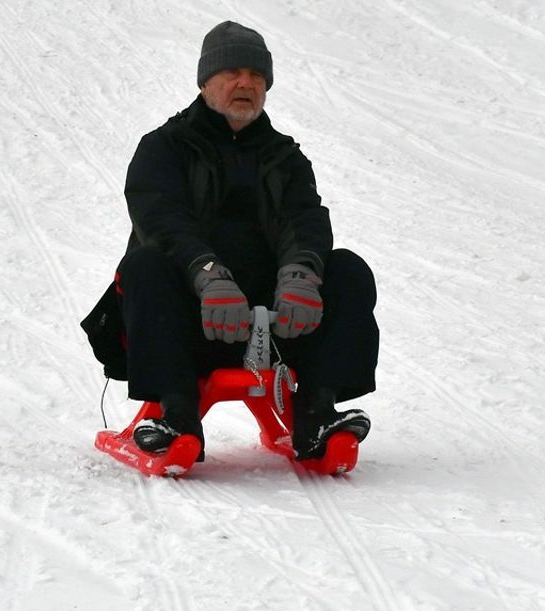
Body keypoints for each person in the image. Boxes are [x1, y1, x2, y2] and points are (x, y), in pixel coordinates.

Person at [82, 20, 379, 462]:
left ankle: (316, 411)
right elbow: (161, 221)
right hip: (187, 321)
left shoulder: (285, 158)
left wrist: (301, 275)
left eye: (257, 76)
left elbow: (305, 220)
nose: (246, 83)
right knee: (144, 266)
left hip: (274, 326)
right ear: (205, 82)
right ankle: (176, 414)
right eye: (232, 73)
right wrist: (208, 276)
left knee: (347, 269)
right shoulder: (164, 148)